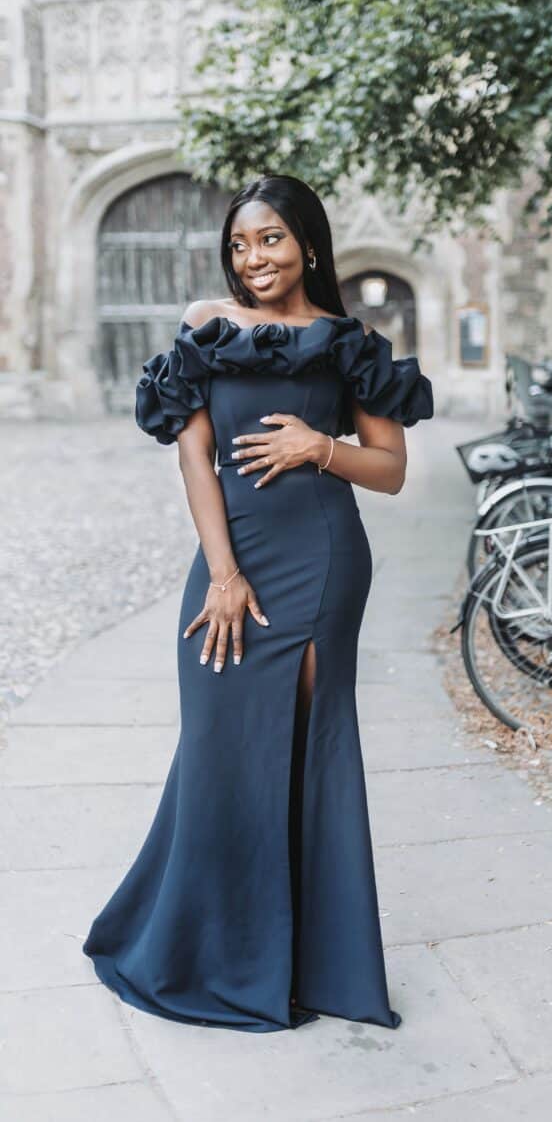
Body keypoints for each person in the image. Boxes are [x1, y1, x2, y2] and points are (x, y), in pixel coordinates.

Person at [82, 173, 434, 1033]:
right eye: (241, 244)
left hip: (320, 563)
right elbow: (194, 458)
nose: (254, 258)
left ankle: (300, 964)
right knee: (217, 744)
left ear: (308, 244)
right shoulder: (207, 325)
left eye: (271, 239)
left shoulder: (347, 343)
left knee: (303, 751)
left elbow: (390, 470)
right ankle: (202, 948)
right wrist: (225, 573)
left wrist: (323, 446)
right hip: (229, 564)